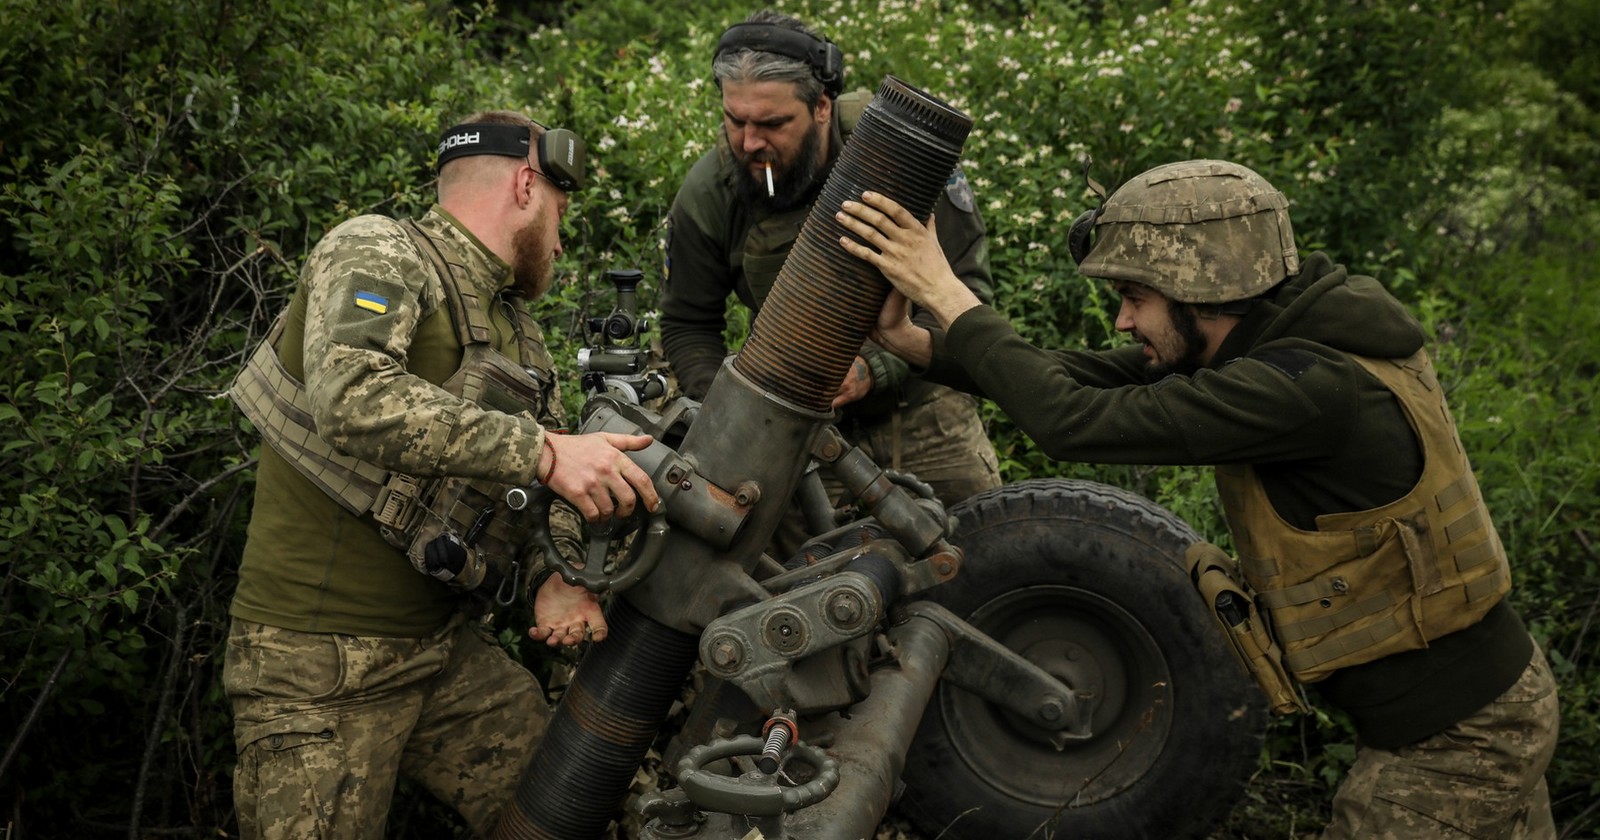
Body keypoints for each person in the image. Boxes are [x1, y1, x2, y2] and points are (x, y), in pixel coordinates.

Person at [836, 159, 1561, 838]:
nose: (1123, 322)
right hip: (1482, 708)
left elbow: (1071, 420)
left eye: (1135, 297)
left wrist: (947, 292)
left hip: (1454, 742)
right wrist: (918, 344)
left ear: (1203, 288)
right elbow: (1080, 380)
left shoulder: (1305, 389)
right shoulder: (1293, 343)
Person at [223, 110, 661, 838]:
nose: (561, 237)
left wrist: (558, 576)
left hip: (447, 658)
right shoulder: (380, 249)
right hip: (318, 667)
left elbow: (521, 485)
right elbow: (354, 399)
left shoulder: (516, 330)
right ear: (527, 184)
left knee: (581, 808)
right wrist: (548, 451)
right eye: (560, 208)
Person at [659, 9, 1002, 543]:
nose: (750, 143)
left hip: (926, 413)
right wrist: (735, 415)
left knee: (975, 563)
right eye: (735, 120)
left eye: (772, 124)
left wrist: (872, 370)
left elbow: (969, 299)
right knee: (806, 595)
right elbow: (687, 323)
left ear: (822, 106)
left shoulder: (900, 155)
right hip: (797, 439)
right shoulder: (710, 192)